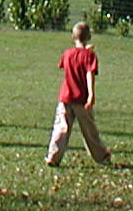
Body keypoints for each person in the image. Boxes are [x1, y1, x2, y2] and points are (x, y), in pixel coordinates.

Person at [46, 21, 112, 166]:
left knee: (61, 128)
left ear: (72, 37)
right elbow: (89, 73)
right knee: (89, 130)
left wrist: (84, 51)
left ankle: (53, 156)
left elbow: (72, 61)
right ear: (89, 37)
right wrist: (91, 94)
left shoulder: (67, 54)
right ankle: (102, 157)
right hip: (81, 99)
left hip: (65, 97)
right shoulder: (90, 56)